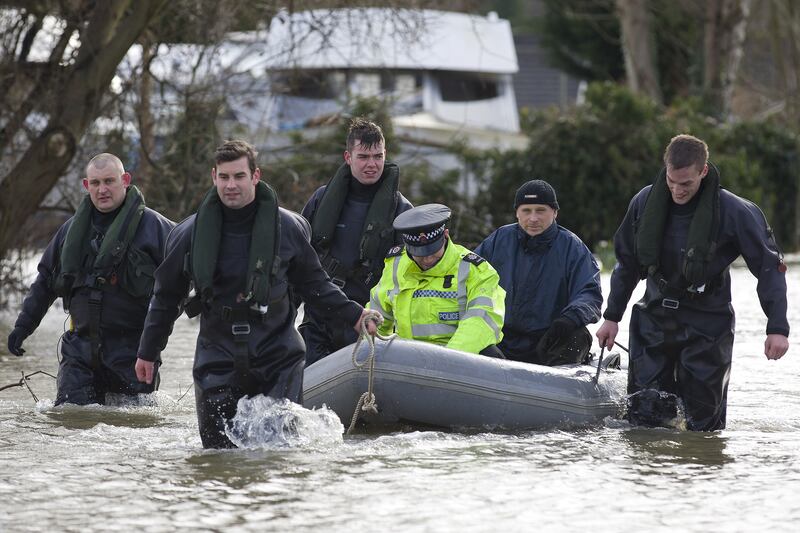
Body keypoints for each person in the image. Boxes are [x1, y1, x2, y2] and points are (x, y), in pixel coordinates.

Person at [134, 140, 378, 448]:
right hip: (216, 357)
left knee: (276, 454)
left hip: (277, 357)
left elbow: (316, 285)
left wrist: (356, 315)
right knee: (215, 459)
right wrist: (148, 352)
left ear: (255, 176)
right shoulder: (188, 234)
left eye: (238, 176)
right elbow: (166, 298)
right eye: (224, 177)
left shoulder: (288, 228)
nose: (231, 185)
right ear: (213, 177)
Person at [595, 134, 790, 431]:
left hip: (708, 324)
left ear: (704, 171)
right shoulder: (644, 202)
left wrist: (777, 328)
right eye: (672, 181)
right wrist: (611, 317)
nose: (677, 190)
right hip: (654, 319)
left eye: (686, 183)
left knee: (703, 429)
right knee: (643, 421)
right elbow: (627, 263)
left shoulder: (736, 212)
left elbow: (769, 269)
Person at [6, 153, 174, 405]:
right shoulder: (70, 230)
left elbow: (181, 283)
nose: (102, 189)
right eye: (95, 183)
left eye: (109, 181)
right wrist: (23, 327)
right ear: (86, 185)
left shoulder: (156, 227)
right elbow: (44, 283)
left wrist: (153, 342)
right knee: (71, 419)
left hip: (133, 352)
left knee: (133, 428)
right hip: (79, 351)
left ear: (125, 180)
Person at [299, 118, 413, 365]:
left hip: (370, 321)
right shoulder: (321, 200)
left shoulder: (402, 210)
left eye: (378, 156)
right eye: (363, 157)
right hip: (320, 318)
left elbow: (410, 278)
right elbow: (297, 260)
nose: (371, 164)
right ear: (348, 157)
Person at [475, 179, 602, 366]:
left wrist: (568, 319)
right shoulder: (498, 240)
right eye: (526, 210)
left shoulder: (572, 247)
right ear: (517, 213)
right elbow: (467, 278)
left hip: (549, 340)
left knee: (578, 335)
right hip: (500, 339)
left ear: (555, 213)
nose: (533, 218)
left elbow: (589, 293)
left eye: (541, 210)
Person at [368, 204, 506, 357]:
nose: (427, 259)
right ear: (407, 246)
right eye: (419, 254)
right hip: (407, 360)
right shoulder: (395, 264)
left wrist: (445, 360)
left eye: (433, 252)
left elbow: (481, 321)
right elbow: (378, 315)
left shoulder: (477, 270)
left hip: (459, 360)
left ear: (445, 235)